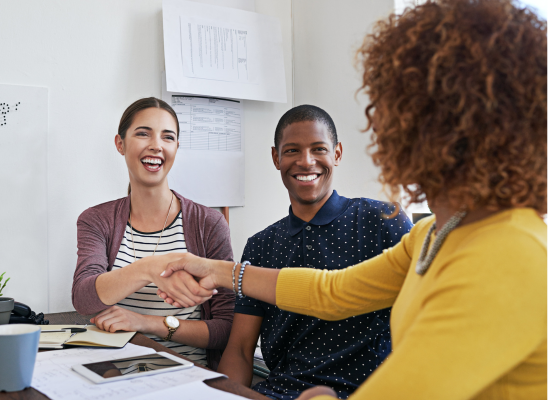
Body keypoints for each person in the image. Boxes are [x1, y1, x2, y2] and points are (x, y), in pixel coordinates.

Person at [156, 0, 547, 398]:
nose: (386, 125)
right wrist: (213, 269)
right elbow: (333, 293)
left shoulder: (510, 252)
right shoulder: (433, 232)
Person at [215, 105, 412, 399]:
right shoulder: (261, 245)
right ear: (276, 158)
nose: (306, 162)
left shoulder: (384, 220)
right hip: (281, 391)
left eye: (318, 149)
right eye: (292, 151)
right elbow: (241, 350)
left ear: (338, 153)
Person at [72, 97, 234, 369]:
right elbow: (84, 298)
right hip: (113, 374)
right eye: (143, 133)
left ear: (176, 148)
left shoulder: (209, 223)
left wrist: (147, 323)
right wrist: (150, 268)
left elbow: (225, 330)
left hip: (186, 375)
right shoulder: (96, 220)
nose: (156, 145)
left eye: (167, 137)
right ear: (120, 144)